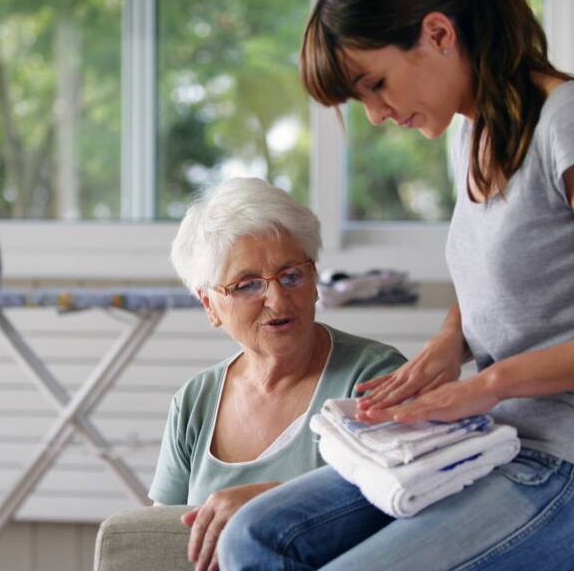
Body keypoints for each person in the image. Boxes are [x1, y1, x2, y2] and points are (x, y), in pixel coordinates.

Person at [218, 0, 574, 570]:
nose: (375, 114)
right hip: (485, 444)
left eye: (375, 84)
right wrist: (451, 342)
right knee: (253, 537)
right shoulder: (468, 135)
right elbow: (504, 270)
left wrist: (490, 384)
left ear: (439, 34)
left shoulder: (570, 121)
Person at [151, 177, 407, 571]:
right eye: (248, 285)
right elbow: (160, 542)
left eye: (292, 276)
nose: (278, 299)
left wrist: (271, 506)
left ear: (315, 280)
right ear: (210, 305)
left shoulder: (373, 377)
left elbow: (402, 514)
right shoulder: (195, 401)